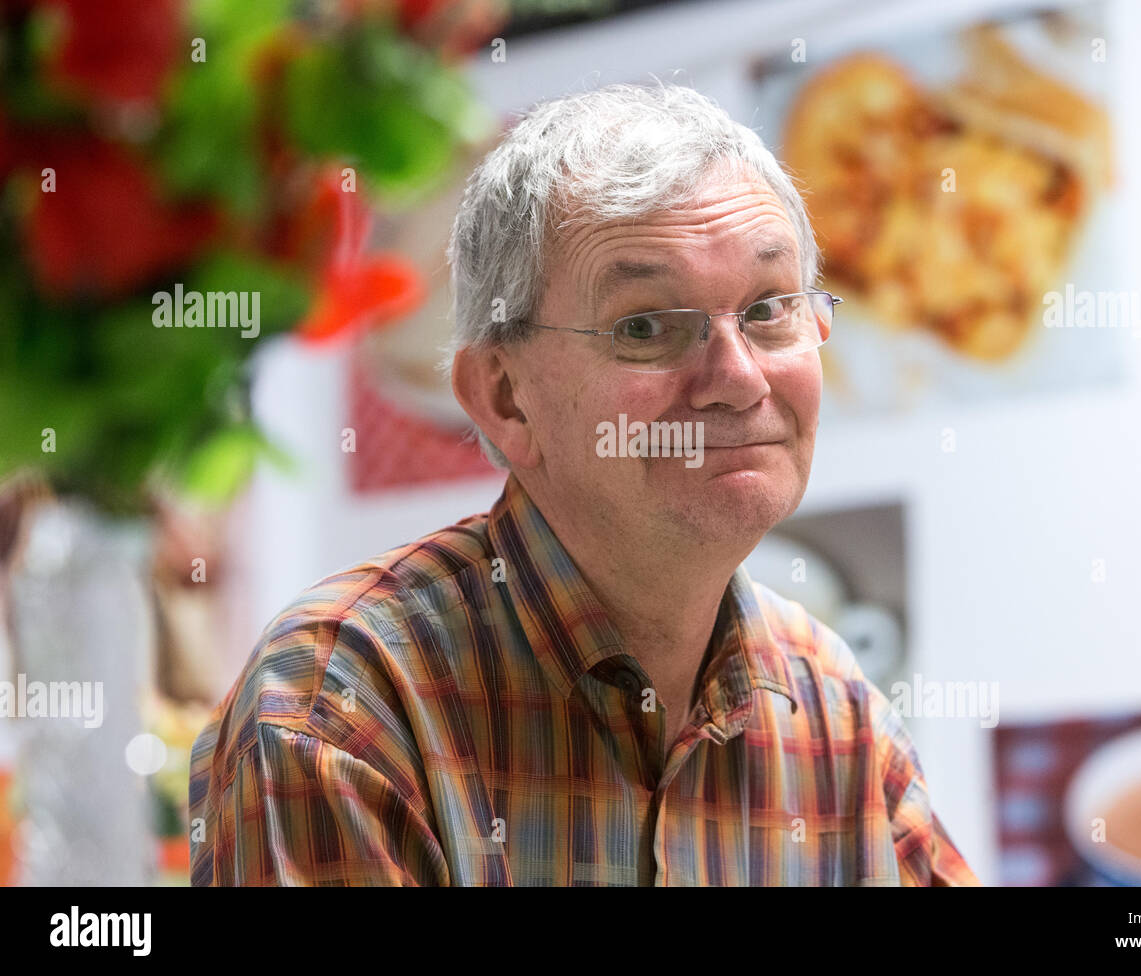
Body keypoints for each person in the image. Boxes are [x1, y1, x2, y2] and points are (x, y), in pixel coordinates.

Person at [188, 81, 979, 886]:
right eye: (644, 326)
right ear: (505, 398)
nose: (738, 379)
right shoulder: (341, 704)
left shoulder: (833, 709)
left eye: (770, 307)